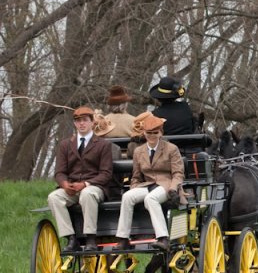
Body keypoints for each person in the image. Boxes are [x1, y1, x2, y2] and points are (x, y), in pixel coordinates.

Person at [48, 106, 114, 251]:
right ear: (74, 124)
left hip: (95, 186)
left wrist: (85, 183)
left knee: (87, 193)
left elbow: (106, 174)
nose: (81, 124)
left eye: (85, 120)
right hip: (71, 188)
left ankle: (90, 237)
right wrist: (65, 184)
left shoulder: (103, 145)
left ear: (92, 123)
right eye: (78, 121)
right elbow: (59, 172)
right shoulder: (65, 145)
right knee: (54, 197)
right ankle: (71, 238)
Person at [115, 114, 184, 251]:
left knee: (150, 198)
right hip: (147, 185)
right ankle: (123, 238)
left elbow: (178, 173)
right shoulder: (138, 151)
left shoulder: (171, 148)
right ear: (144, 133)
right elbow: (135, 177)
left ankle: (163, 238)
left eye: (155, 133)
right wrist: (133, 188)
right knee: (127, 197)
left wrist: (173, 189)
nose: (151, 136)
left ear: (161, 133)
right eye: (148, 133)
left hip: (166, 185)